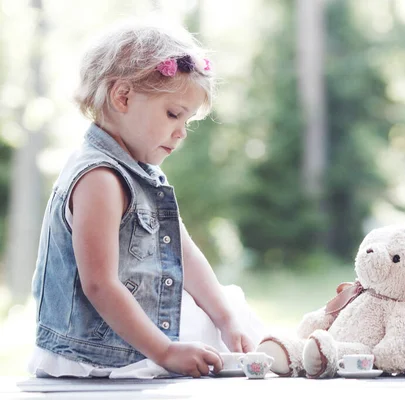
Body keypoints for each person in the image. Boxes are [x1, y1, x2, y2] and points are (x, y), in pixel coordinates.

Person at [28, 17, 264, 379]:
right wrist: (165, 351)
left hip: (136, 335)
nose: (181, 132)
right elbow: (99, 284)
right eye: (173, 114)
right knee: (207, 335)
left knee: (230, 308)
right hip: (99, 350)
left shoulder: (143, 174)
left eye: (188, 121)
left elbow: (185, 255)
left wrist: (226, 319)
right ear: (122, 96)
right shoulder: (99, 179)